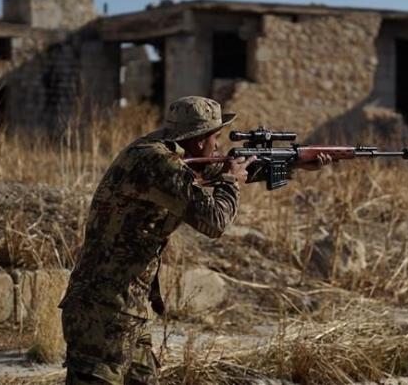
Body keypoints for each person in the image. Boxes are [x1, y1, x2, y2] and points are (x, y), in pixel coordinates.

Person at [59, 96, 329, 385]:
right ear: (199, 141)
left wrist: (293, 163)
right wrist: (231, 183)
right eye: (215, 137)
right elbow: (214, 221)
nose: (218, 145)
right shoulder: (156, 163)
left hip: (127, 307)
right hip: (102, 311)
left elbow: (216, 170)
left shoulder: (163, 152)